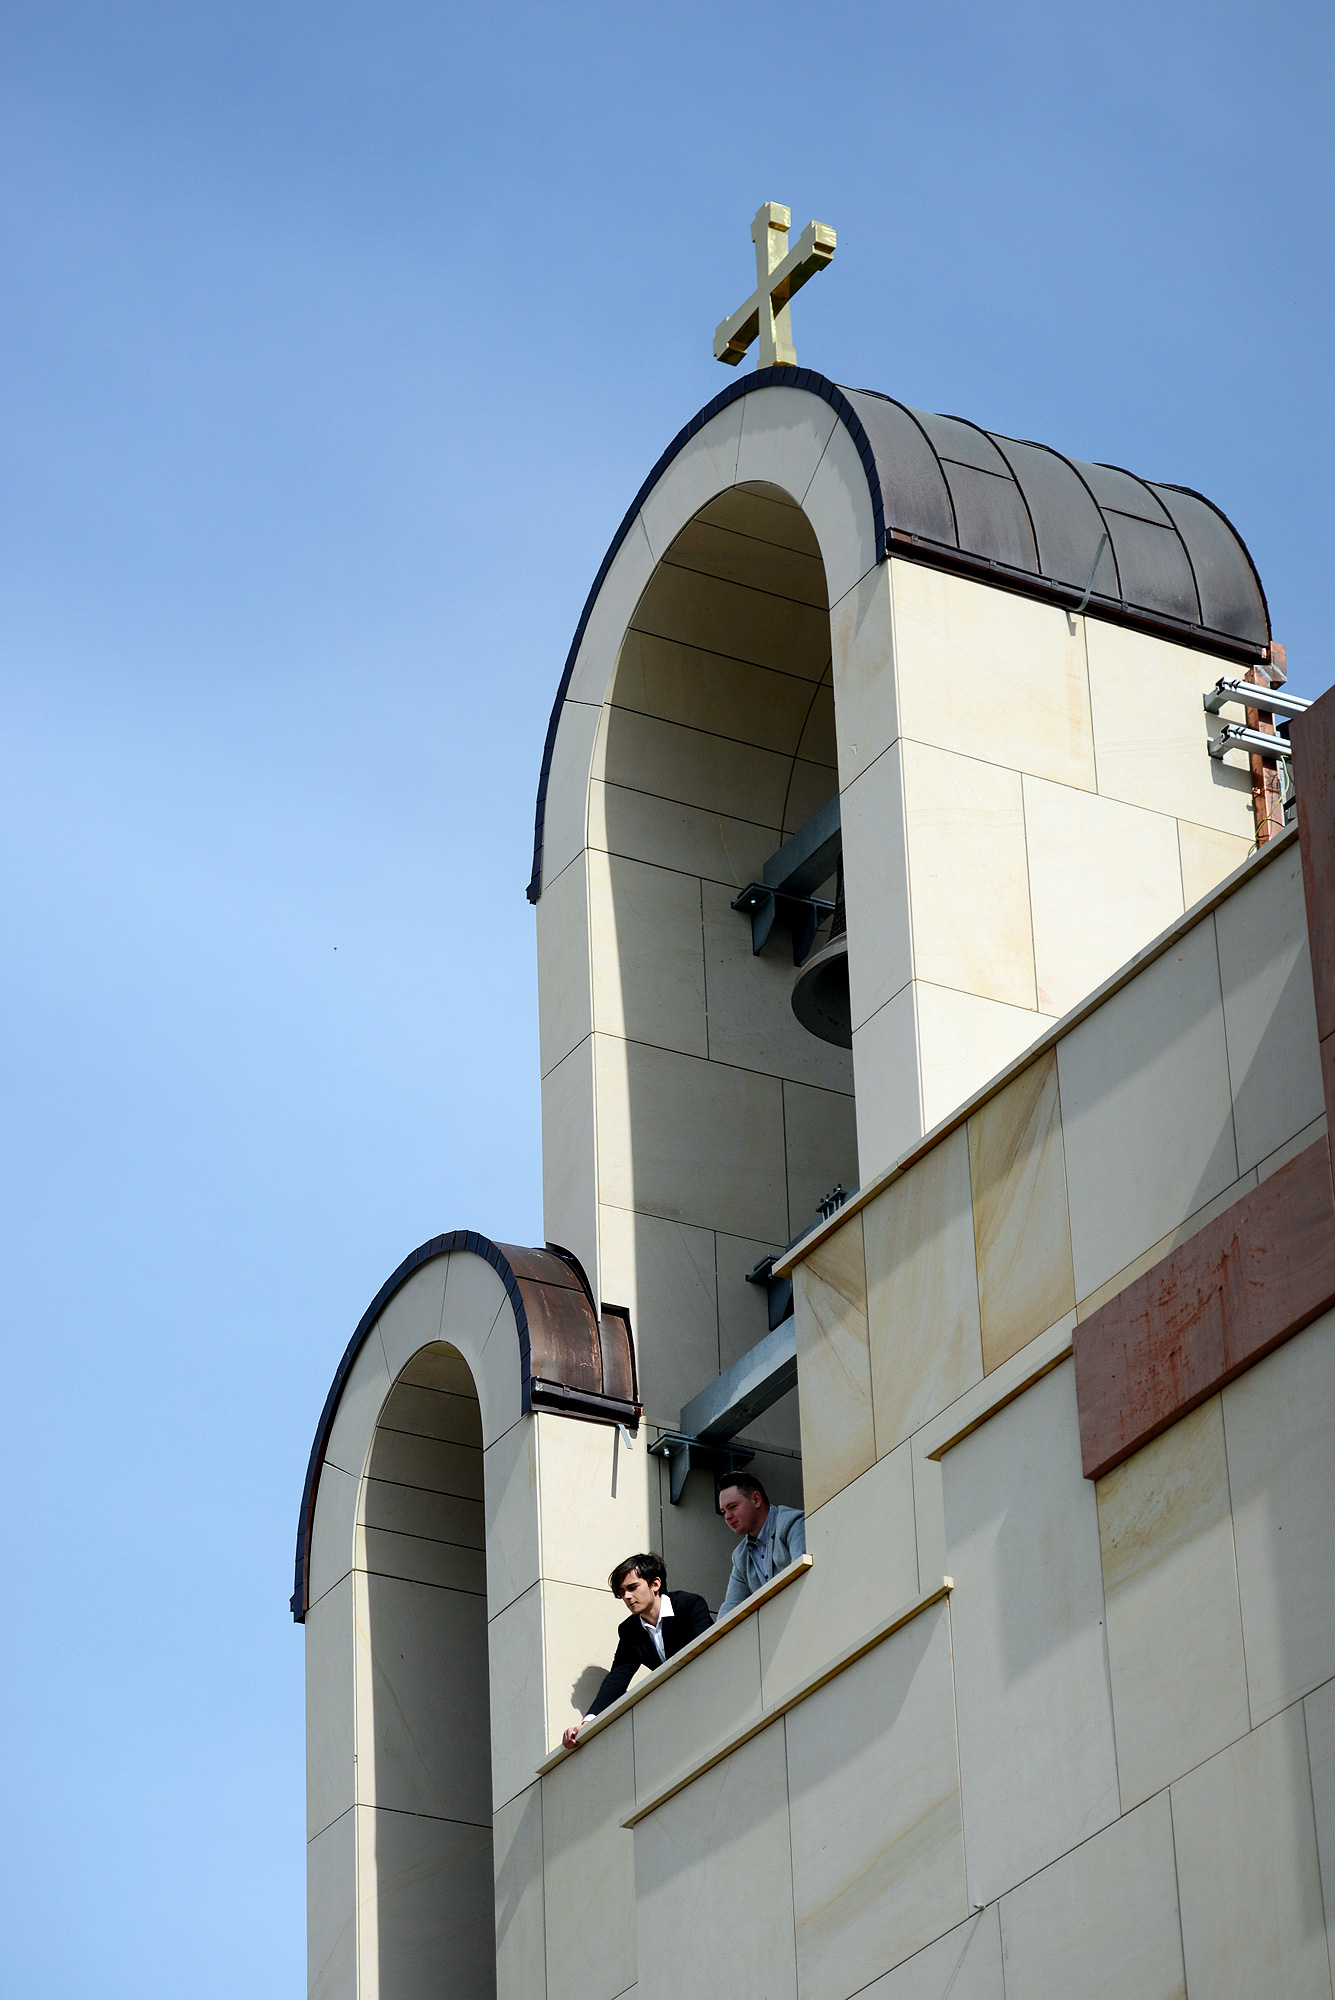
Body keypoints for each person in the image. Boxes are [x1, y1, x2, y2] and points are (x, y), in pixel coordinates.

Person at [561, 1553, 712, 1749]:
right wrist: (587, 1724)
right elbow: (618, 1677)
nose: (627, 1597)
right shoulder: (629, 1630)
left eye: (632, 1588)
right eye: (621, 1592)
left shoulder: (689, 1605)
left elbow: (711, 1649)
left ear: (655, 1584)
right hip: (680, 1707)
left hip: (709, 1690)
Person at [716, 1472, 805, 1616]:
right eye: (723, 1511)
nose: (727, 1516)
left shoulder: (793, 1523)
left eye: (732, 1507)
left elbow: (805, 1577)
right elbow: (730, 1609)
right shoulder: (740, 1556)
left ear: (756, 1499)